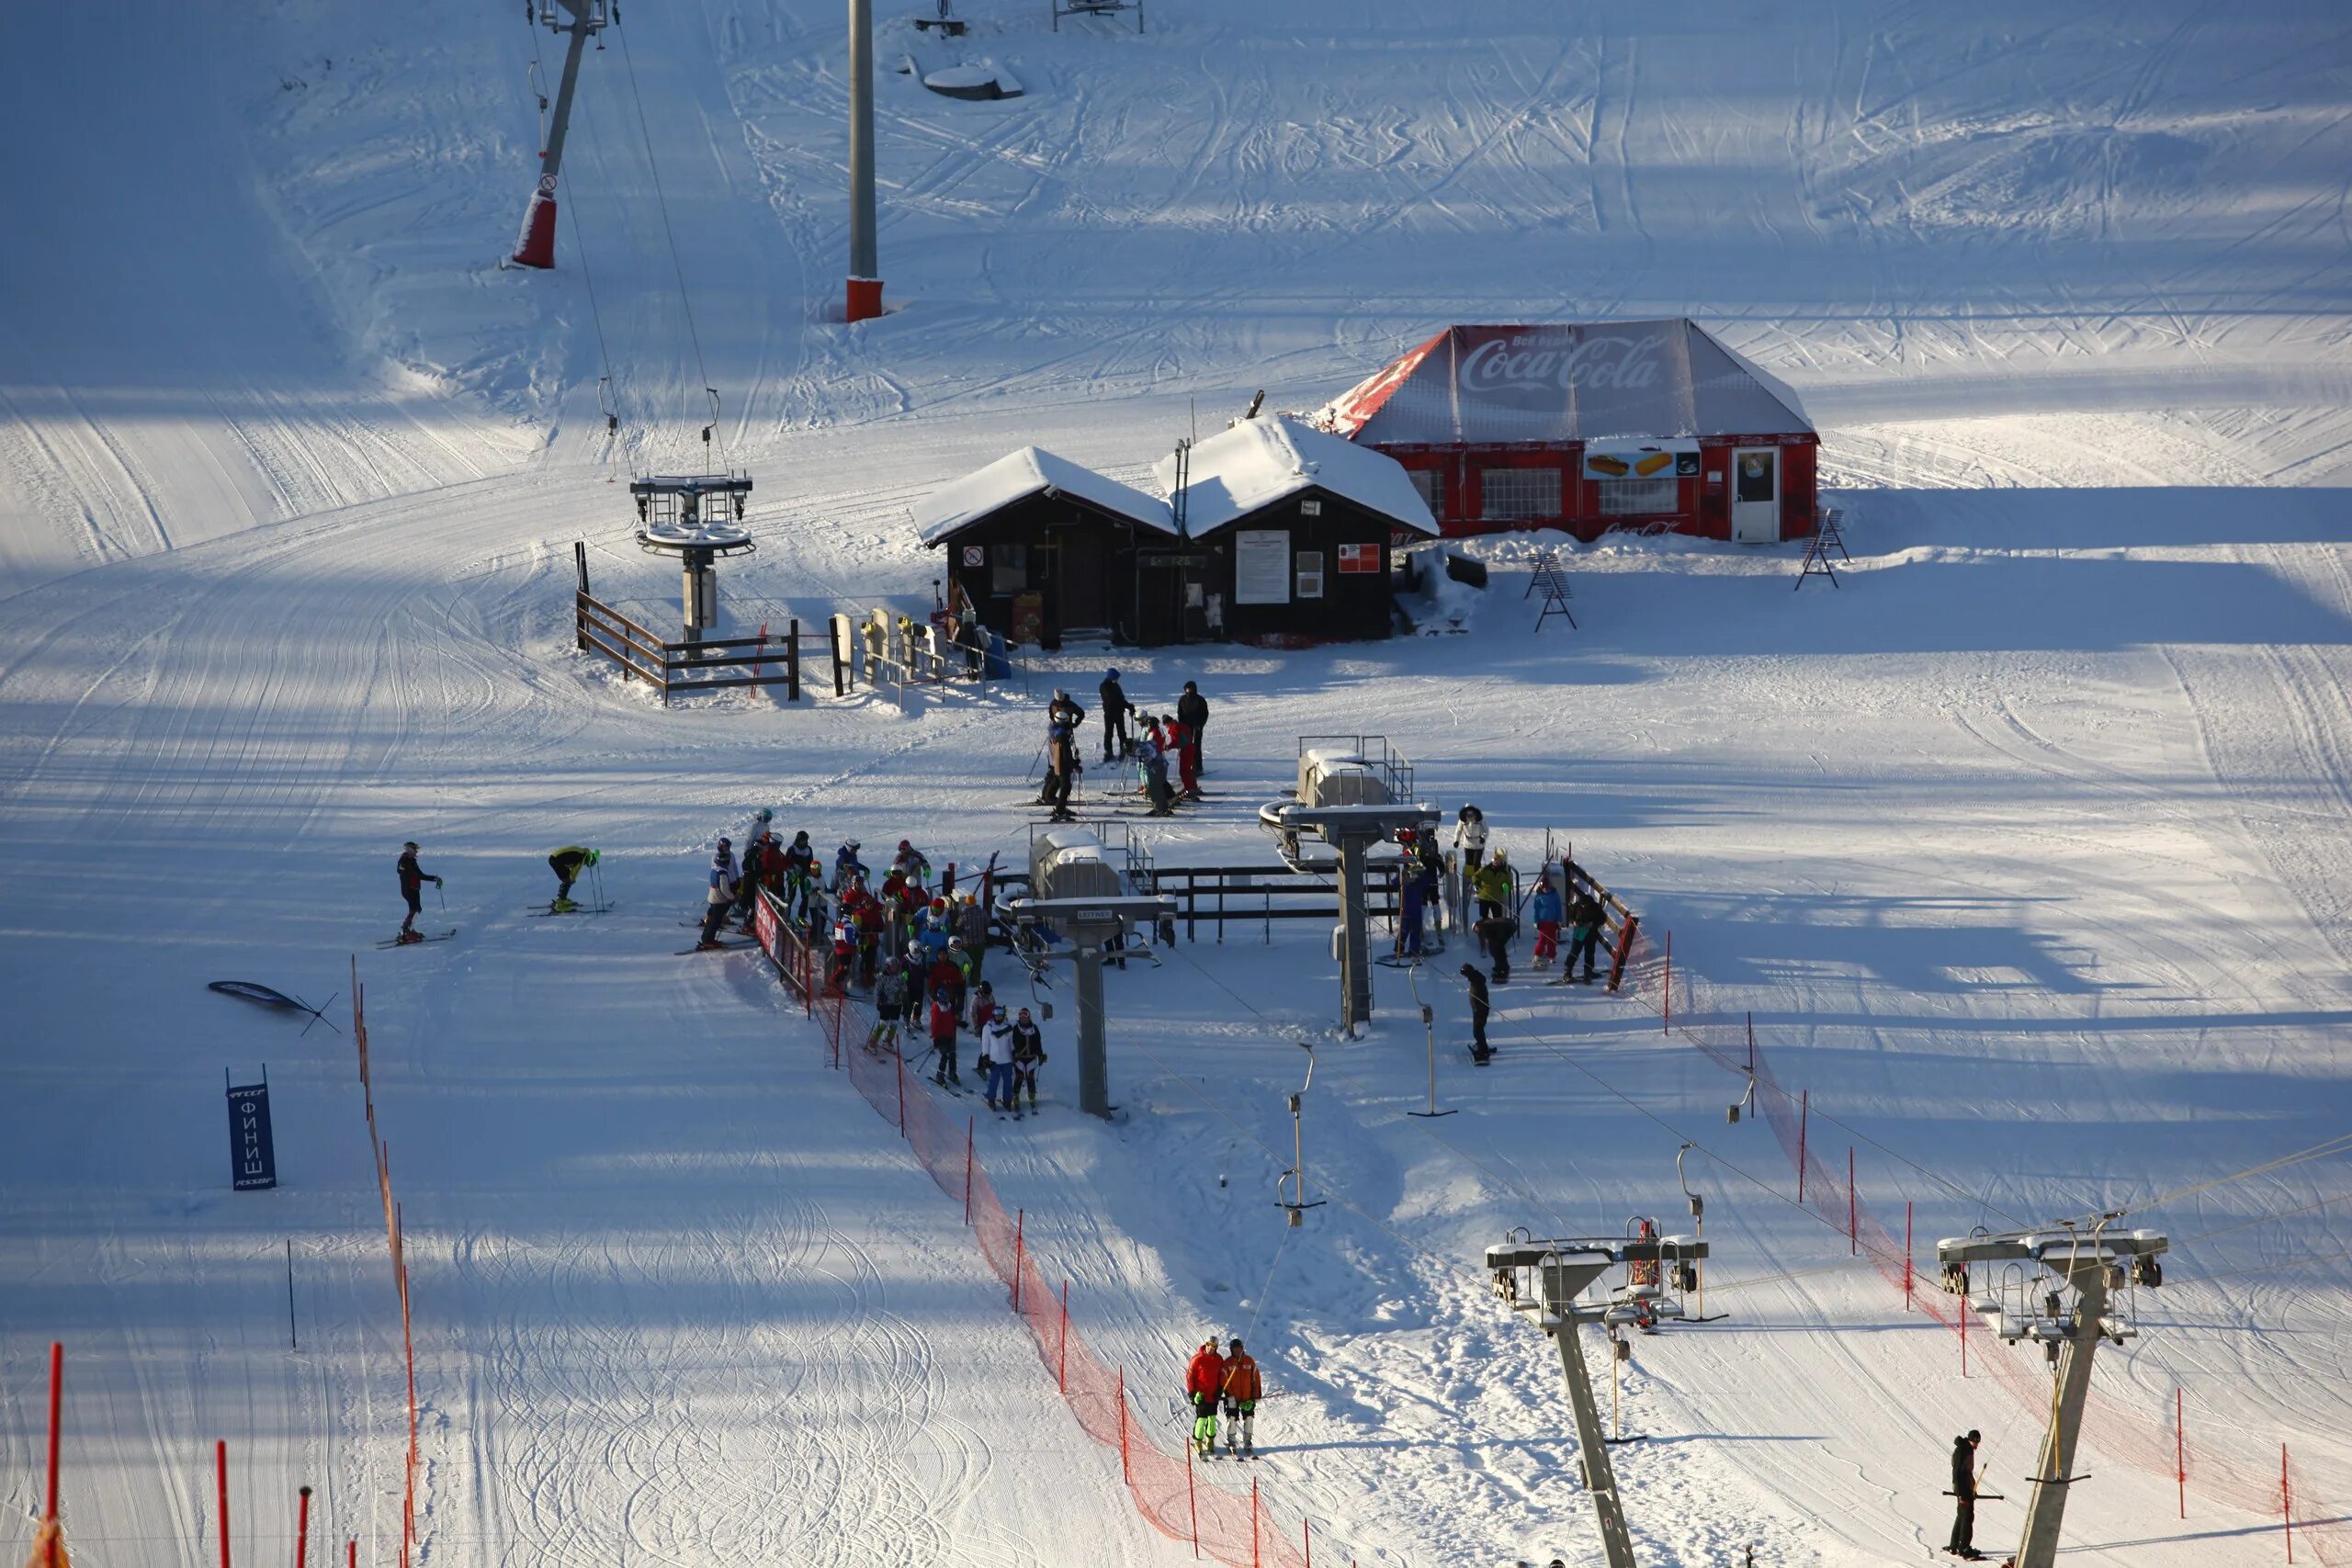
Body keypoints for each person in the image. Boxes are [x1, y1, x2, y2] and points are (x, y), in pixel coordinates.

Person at [1185, 1337, 1227, 1459]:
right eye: (1208, 1345)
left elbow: (1222, 1375)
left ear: (1216, 1347)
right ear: (1206, 1344)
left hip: (1213, 1395)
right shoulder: (1197, 1359)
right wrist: (1192, 1393)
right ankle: (1198, 1441)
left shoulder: (1218, 1359)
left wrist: (1220, 1389)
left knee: (1212, 1419)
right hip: (1201, 1395)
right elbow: (1190, 1376)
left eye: (1213, 1346)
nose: (1210, 1348)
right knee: (1202, 1419)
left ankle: (1210, 1440)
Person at [1220, 1337, 1262, 1457]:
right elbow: (1223, 1380)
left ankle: (1247, 1441)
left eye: (1239, 1348)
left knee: (1249, 1418)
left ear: (1242, 1348)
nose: (1237, 1351)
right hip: (1233, 1398)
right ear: (1231, 1350)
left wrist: (1255, 1397)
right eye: (1235, 1349)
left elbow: (1256, 1379)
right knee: (1232, 1419)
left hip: (1247, 1398)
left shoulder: (1249, 1361)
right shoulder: (1228, 1363)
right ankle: (1232, 1441)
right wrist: (1228, 1395)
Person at [696, 840, 740, 950]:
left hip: (714, 897)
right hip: (719, 899)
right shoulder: (723, 873)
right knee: (715, 922)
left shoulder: (716, 870)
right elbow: (724, 889)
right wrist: (732, 897)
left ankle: (706, 938)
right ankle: (708, 940)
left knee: (714, 921)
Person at [395, 841, 441, 942]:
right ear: (410, 850)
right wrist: (403, 870)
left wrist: (434, 878)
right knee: (414, 909)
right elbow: (400, 870)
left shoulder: (412, 861)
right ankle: (405, 932)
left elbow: (420, 875)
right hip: (408, 889)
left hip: (414, 889)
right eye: (415, 850)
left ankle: (409, 930)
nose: (416, 852)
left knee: (417, 909)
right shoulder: (404, 860)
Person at [1948, 1430, 1983, 1560]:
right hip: (1963, 1490)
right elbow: (1957, 1472)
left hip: (1965, 1489)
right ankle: (1964, 1548)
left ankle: (1954, 1545)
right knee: (1968, 1518)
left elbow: (1967, 1473)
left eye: (1978, 1442)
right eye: (1975, 1441)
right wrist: (1962, 1492)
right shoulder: (1963, 1450)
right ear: (1970, 1439)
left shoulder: (1966, 1449)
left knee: (1962, 1516)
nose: (1977, 1445)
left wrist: (1972, 1489)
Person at [1565, 886, 1606, 985]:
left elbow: (1602, 919)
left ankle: (1588, 972)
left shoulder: (1596, 907)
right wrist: (1573, 921)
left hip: (1591, 934)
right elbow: (1570, 914)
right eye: (1582, 905)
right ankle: (1567, 972)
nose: (1583, 907)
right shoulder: (1577, 905)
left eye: (1585, 905)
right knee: (1574, 952)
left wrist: (1593, 924)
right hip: (1579, 932)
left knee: (1589, 953)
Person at [1009, 1006, 1046, 1111]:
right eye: (1021, 1015)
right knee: (1019, 1077)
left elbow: (1038, 1044)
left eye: (1025, 1015)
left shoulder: (1034, 1029)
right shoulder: (1016, 1028)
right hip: (1020, 1058)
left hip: (1031, 1058)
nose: (1023, 1017)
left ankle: (1032, 1096)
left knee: (1030, 1077)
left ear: (1029, 1017)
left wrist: (1041, 1055)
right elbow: (1012, 1043)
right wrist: (1013, 1055)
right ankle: (1015, 1096)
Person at [870, 955, 910, 1055]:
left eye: (895, 966)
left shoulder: (898, 977)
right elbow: (877, 991)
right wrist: (878, 1002)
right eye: (892, 966)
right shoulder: (882, 977)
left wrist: (904, 981)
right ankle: (873, 1042)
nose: (894, 968)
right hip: (885, 1004)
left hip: (896, 1004)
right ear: (887, 966)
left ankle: (888, 1041)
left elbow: (904, 989)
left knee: (894, 1024)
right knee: (883, 1024)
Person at [1045, 721, 1080, 823]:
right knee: (1065, 788)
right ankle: (1059, 812)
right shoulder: (1063, 740)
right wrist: (1076, 765)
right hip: (1063, 768)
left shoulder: (1057, 737)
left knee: (1056, 783)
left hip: (1058, 766)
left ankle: (1049, 797)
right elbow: (1067, 757)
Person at [1397, 845, 1429, 959]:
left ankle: (1414, 950)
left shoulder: (1420, 876)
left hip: (1416, 907)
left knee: (1416, 930)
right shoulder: (1404, 873)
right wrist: (1404, 879)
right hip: (1406, 907)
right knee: (1404, 930)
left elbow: (1427, 882)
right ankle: (1399, 949)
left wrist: (1419, 874)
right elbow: (1395, 882)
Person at [980, 1013, 1016, 1111]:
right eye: (996, 1015)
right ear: (993, 1016)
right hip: (994, 1059)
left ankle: (1007, 1100)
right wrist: (985, 1056)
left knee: (1008, 1080)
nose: (998, 1017)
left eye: (1000, 1015)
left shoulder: (1008, 1027)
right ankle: (991, 1099)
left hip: (1007, 1059)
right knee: (994, 1080)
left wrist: (1014, 1052)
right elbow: (985, 1043)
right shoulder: (988, 1027)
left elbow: (1012, 1042)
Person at [547, 846, 597, 912]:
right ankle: (560, 903)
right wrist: (572, 880)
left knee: (566, 877)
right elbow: (575, 871)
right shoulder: (582, 857)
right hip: (556, 860)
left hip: (554, 858)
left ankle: (562, 899)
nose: (586, 865)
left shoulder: (582, 852)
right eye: (588, 864)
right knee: (567, 880)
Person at [929, 990, 964, 1088]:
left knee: (952, 1053)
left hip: (950, 1034)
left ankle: (952, 1073)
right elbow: (934, 1024)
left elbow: (950, 1019)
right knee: (945, 1055)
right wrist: (936, 1037)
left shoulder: (948, 1006)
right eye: (945, 998)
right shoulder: (936, 1007)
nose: (946, 999)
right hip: (942, 1036)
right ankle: (940, 1075)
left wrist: (958, 1022)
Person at [1528, 872, 1562, 968]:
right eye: (1544, 888)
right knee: (1542, 939)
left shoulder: (1555, 895)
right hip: (1542, 922)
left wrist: (1559, 920)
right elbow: (1536, 910)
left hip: (1553, 921)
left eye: (1547, 887)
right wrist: (1536, 921)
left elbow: (1558, 907)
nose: (1545, 889)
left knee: (1552, 939)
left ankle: (1551, 955)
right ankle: (1537, 954)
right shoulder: (1539, 896)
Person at [1460, 963, 1492, 1063]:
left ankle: (1483, 1053)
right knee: (1479, 1030)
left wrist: (1479, 1008)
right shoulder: (1475, 978)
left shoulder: (1476, 980)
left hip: (1480, 1010)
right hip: (1478, 1009)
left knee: (1477, 1031)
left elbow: (1480, 994)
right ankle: (1483, 1046)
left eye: (1464, 974)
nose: (1465, 977)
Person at [1099, 668, 1132, 761]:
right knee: (1109, 733)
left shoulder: (1116, 685)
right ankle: (1108, 752)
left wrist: (1129, 706)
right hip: (1109, 714)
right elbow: (1111, 699)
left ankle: (1123, 750)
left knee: (1122, 732)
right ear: (1111, 677)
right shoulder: (1103, 686)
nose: (1117, 680)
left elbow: (1121, 698)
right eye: (1115, 678)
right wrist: (1121, 703)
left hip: (1119, 713)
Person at [1176, 681, 1209, 775]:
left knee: (1196, 747)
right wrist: (1181, 724)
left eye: (1190, 689)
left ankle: (1198, 767)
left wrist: (1200, 724)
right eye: (1187, 689)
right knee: (1186, 748)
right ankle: (1188, 767)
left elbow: (1205, 714)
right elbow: (1180, 713)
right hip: (1186, 728)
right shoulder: (1182, 700)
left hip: (1197, 727)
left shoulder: (1200, 700)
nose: (1188, 691)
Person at [1453, 805, 1488, 870]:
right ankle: (1468, 879)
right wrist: (1456, 841)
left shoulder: (1480, 820)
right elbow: (1458, 831)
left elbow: (1486, 830)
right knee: (1468, 864)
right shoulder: (1462, 821)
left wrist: (1483, 838)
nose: (1469, 817)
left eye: (1471, 815)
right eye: (1468, 815)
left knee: (1476, 864)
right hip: (1468, 845)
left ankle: (1476, 878)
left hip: (1478, 845)